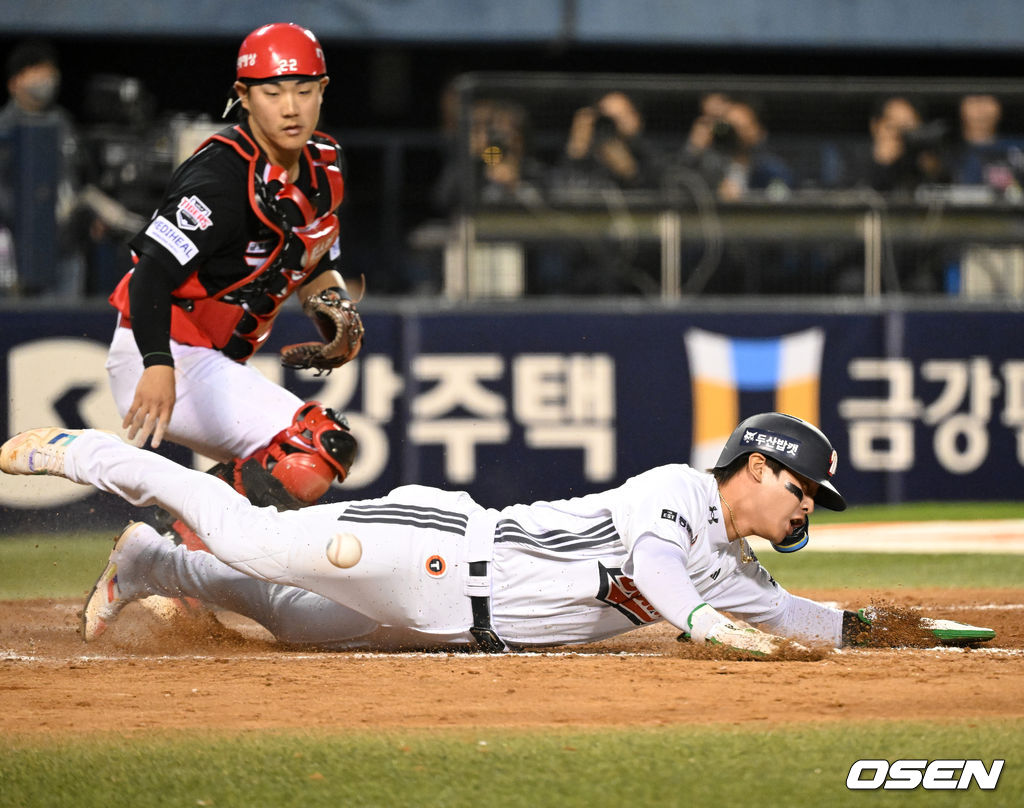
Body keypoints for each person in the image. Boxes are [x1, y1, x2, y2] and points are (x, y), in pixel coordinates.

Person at [0, 414, 995, 653]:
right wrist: (704, 625)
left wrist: (911, 632)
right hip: (435, 546)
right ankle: (88, 453)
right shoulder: (677, 492)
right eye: (804, 489)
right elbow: (656, 566)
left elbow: (808, 618)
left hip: (455, 624)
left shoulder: (730, 569)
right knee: (251, 537)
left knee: (299, 622)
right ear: (759, 468)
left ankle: (154, 562)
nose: (808, 507)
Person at [103, 23, 364, 544]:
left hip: (211, 358)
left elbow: (312, 262)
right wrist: (157, 363)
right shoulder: (221, 178)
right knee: (313, 445)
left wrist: (335, 309)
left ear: (322, 90)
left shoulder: (324, 166)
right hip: (163, 348)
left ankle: (159, 566)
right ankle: (157, 554)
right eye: (273, 92)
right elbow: (151, 272)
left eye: (304, 90)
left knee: (294, 473)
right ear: (244, 96)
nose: (291, 108)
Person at [0, 39, 93, 296]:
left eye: (49, 71)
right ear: (15, 81)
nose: (47, 79)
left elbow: (78, 176)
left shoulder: (63, 122)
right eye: (37, 71)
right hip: (19, 249)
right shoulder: (5, 127)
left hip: (66, 247)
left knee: (66, 317)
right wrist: (29, 214)